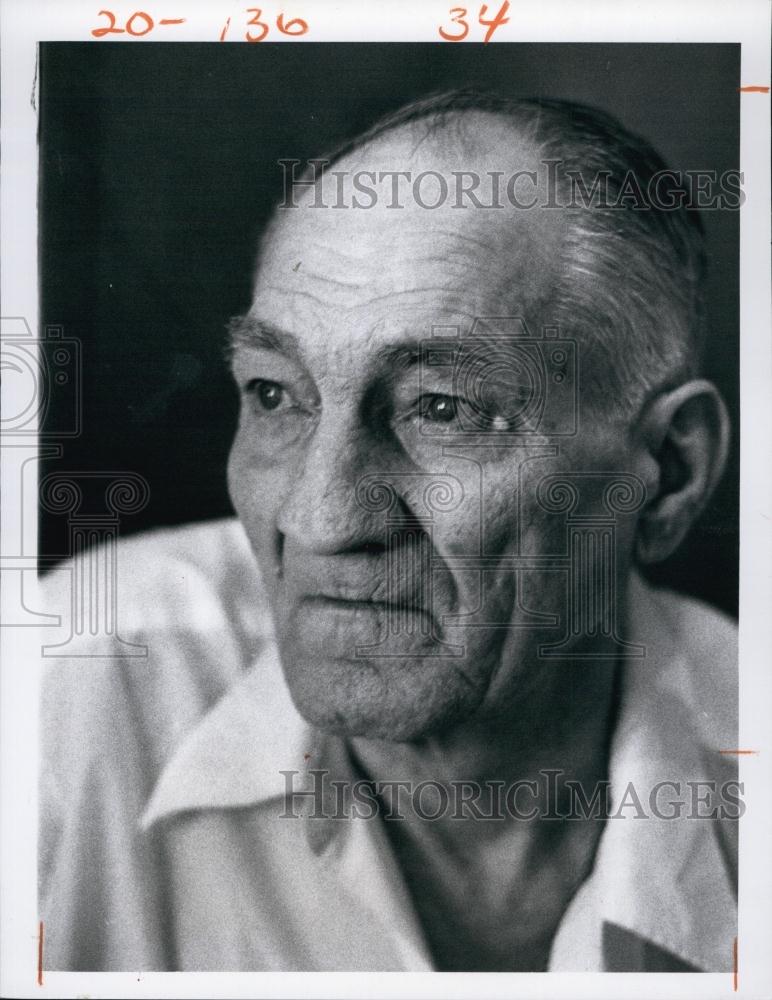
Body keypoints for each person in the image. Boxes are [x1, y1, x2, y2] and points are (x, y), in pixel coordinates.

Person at [40, 91, 738, 972]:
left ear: (670, 475)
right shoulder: (69, 686)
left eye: (440, 408)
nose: (319, 517)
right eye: (274, 394)